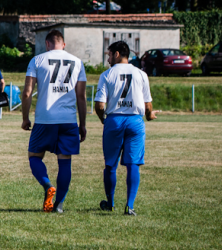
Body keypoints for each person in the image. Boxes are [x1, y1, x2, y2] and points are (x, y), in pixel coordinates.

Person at [21, 30, 87, 213]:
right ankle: (59, 204)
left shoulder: (37, 60)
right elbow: (81, 97)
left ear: (47, 44)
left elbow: (27, 92)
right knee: (64, 162)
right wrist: (82, 124)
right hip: (68, 120)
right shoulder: (78, 62)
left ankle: (47, 185)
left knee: (34, 157)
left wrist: (25, 118)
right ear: (63, 44)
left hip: (44, 119)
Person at [94, 40, 156, 216]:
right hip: (135, 121)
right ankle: (130, 206)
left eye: (109, 55)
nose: (108, 59)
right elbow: (148, 105)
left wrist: (103, 119)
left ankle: (110, 203)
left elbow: (99, 105)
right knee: (133, 163)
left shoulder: (107, 75)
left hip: (114, 120)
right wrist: (150, 115)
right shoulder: (141, 74)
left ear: (117, 54)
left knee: (110, 165)